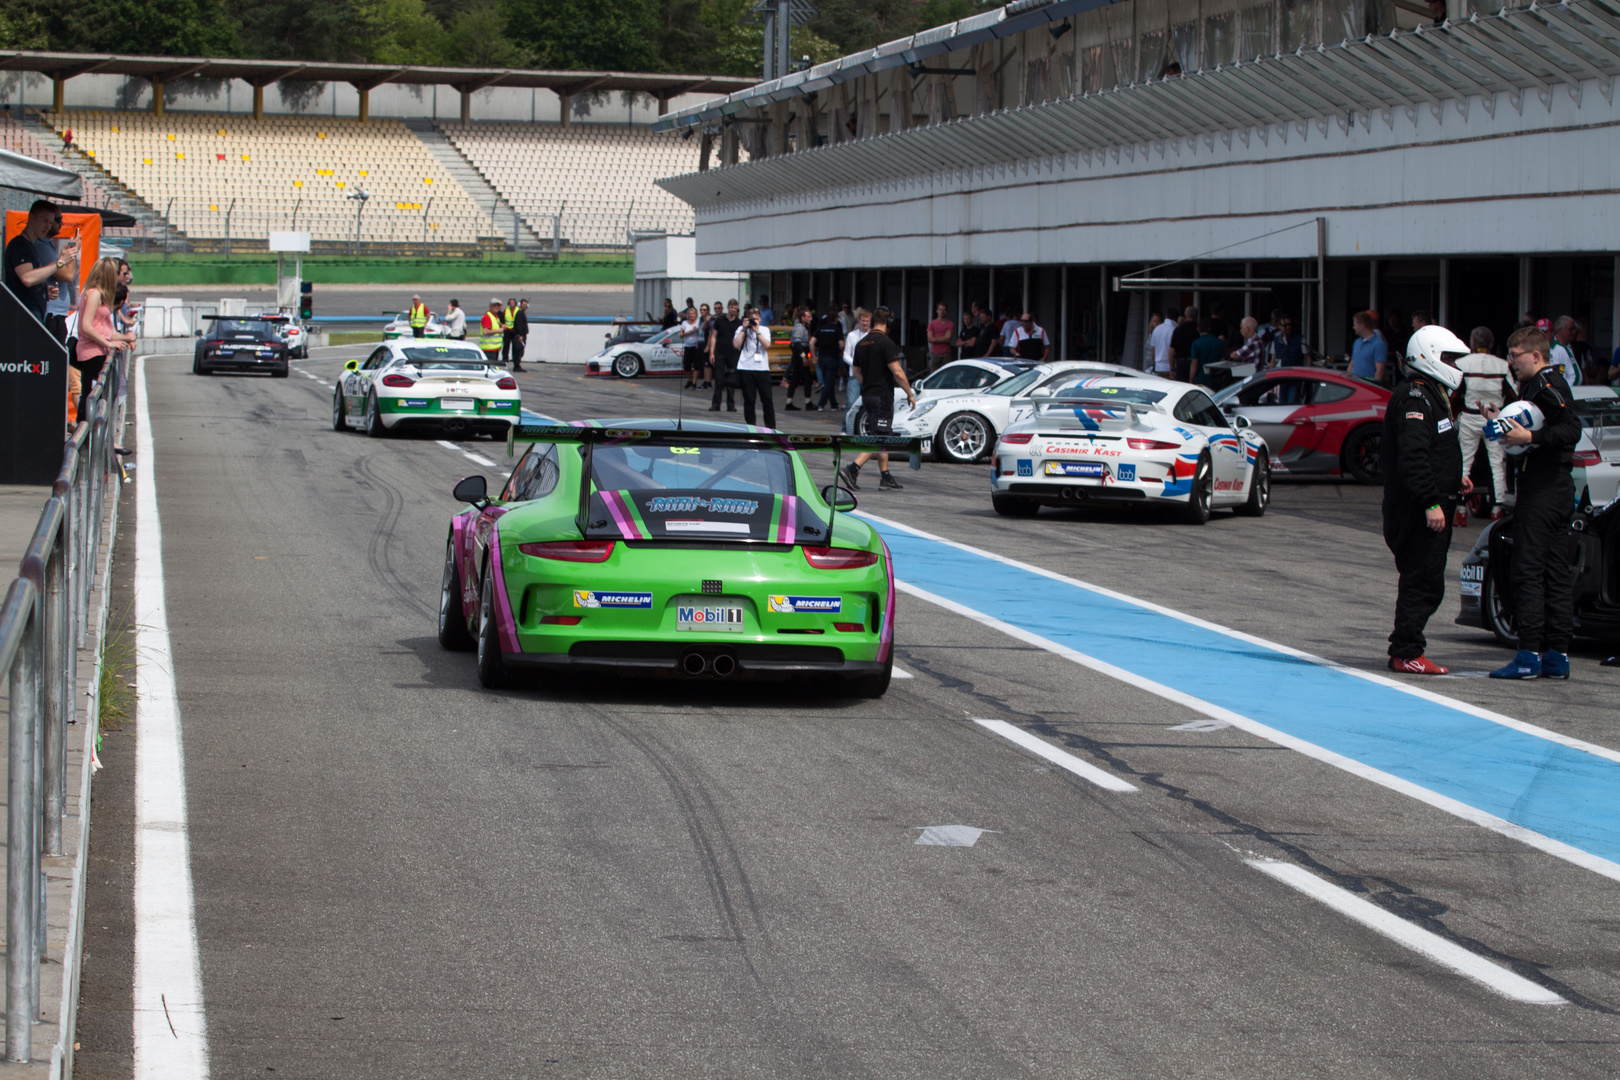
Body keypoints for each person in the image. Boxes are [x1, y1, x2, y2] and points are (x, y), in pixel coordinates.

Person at [1483, 326, 1582, 679]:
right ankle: (1557, 656)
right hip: (1552, 490)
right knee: (1555, 574)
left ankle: (1528, 655)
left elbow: (1571, 430)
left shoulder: (1547, 385)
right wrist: (1500, 423)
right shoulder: (1539, 386)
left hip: (1543, 492)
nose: (1511, 362)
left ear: (1536, 356)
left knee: (1527, 571)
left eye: (1516, 356)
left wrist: (1530, 435)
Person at [1382, 325, 1474, 675]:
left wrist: (1455, 478)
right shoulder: (1416, 398)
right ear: (1429, 356)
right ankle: (1406, 651)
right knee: (1422, 580)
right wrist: (1430, 502)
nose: (1454, 365)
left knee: (1427, 580)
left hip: (1431, 502)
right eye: (1448, 358)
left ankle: (1407, 648)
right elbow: (1413, 455)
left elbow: (1433, 450)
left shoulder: (1431, 394)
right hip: (1418, 509)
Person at [839, 309, 917, 491]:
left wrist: (870, 383)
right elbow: (897, 371)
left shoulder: (861, 343)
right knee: (880, 437)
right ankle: (852, 469)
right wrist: (910, 393)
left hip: (867, 395)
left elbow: (856, 372)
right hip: (882, 396)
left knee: (881, 434)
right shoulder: (886, 343)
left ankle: (885, 476)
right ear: (889, 323)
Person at [1453, 326, 1512, 521]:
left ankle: (1460, 511)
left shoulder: (1462, 363)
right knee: (1497, 464)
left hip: (1470, 416)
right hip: (1495, 418)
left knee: (1464, 463)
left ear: (1472, 343)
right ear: (1491, 344)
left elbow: (1453, 393)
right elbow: (1514, 393)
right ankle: (1497, 511)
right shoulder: (1503, 365)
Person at [72, 257, 136, 423]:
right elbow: (86, 326)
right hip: (92, 351)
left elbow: (105, 329)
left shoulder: (99, 294)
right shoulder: (94, 293)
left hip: (98, 349)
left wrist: (125, 338)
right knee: (91, 394)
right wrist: (108, 343)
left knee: (97, 395)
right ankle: (86, 438)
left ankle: (92, 437)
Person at [5, 199, 77, 323]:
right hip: (23, 318)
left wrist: (43, 289)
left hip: (32, 316)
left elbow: (30, 280)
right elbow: (27, 278)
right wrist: (60, 262)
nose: (47, 226)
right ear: (31, 218)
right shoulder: (20, 245)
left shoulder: (30, 246)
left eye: (50, 222)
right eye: (44, 221)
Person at [39, 207, 77, 342]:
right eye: (58, 220)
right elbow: (67, 275)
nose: (61, 224)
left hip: (56, 314)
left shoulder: (47, 245)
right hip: (50, 315)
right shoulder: (41, 246)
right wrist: (73, 253)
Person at [733, 305, 775, 427]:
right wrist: (744, 329)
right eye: (751, 319)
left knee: (767, 400)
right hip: (746, 368)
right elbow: (736, 344)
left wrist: (757, 331)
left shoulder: (764, 330)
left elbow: (767, 345)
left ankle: (771, 427)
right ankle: (751, 426)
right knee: (749, 401)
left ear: (760, 319)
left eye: (755, 319)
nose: (753, 322)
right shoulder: (742, 329)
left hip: (762, 369)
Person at [708, 299, 740, 412]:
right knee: (719, 379)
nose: (733, 310)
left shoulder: (739, 322)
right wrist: (712, 352)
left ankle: (731, 405)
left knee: (731, 380)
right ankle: (716, 404)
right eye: (731, 308)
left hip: (733, 354)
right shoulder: (720, 320)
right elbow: (713, 336)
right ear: (728, 308)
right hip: (720, 353)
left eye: (735, 308)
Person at [784, 305, 815, 409]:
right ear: (803, 317)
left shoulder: (803, 327)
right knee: (807, 379)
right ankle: (808, 403)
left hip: (798, 355)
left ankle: (789, 403)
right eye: (808, 317)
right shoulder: (799, 328)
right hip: (800, 356)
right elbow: (797, 343)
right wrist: (803, 356)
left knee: (795, 379)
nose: (811, 318)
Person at [813, 307, 844, 410]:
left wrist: (814, 355)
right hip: (832, 357)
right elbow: (841, 344)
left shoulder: (820, 329)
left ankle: (834, 404)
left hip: (822, 357)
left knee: (828, 380)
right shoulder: (837, 330)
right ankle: (821, 404)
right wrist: (842, 352)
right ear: (835, 319)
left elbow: (811, 342)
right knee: (829, 382)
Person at [1349, 311, 1388, 382]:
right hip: (1355, 386)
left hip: (1368, 387)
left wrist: (1374, 388)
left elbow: (1380, 370)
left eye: (1355, 324)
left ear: (1362, 326)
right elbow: (1352, 364)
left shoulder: (1378, 344)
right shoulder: (1357, 342)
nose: (1353, 327)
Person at [841, 308, 871, 395]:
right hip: (854, 375)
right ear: (859, 320)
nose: (865, 323)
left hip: (869, 375)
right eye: (863, 321)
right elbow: (846, 355)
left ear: (870, 321)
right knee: (851, 401)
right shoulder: (851, 335)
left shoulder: (874, 336)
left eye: (867, 321)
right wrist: (855, 363)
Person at [1548, 316, 1583, 386]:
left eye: (1574, 329)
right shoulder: (1548, 347)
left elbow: (1576, 377)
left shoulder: (1577, 347)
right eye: (1571, 329)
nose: (1574, 332)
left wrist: (1565, 391)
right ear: (1560, 330)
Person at [1189, 319, 1224, 385]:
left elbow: (1194, 363)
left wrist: (1191, 379)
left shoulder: (1196, 344)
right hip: (1216, 378)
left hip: (1201, 378)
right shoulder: (1219, 342)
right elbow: (1222, 360)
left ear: (1198, 329)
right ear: (1209, 329)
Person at [1169, 305, 1198, 381]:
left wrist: (1172, 369)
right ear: (1196, 316)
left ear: (1185, 315)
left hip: (1180, 363)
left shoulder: (1178, 330)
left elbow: (1171, 351)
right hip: (1195, 362)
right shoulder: (1197, 330)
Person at [678, 306, 704, 389]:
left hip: (696, 346)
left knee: (696, 365)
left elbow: (703, 332)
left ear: (696, 314)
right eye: (690, 314)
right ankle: (689, 380)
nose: (692, 315)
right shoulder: (684, 323)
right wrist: (688, 332)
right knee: (687, 365)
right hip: (688, 346)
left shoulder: (699, 322)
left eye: (693, 314)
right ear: (688, 315)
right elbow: (680, 335)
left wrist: (697, 330)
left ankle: (694, 382)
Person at [926, 302, 955, 370]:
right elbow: (930, 339)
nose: (942, 311)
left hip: (946, 353)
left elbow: (948, 338)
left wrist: (935, 339)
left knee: (947, 373)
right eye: (940, 309)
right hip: (935, 353)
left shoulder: (950, 324)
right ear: (937, 311)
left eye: (944, 309)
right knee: (934, 373)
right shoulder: (932, 324)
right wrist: (944, 338)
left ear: (946, 311)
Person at [1150, 308, 1176, 378]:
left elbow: (1153, 349)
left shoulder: (1156, 329)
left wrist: (1154, 364)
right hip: (1169, 367)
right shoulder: (1174, 329)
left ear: (1166, 316)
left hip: (1158, 367)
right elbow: (1172, 351)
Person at [479, 298, 504, 364]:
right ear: (490, 306)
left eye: (498, 306)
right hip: (488, 348)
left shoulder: (495, 316)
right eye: (494, 305)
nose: (496, 307)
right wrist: (499, 330)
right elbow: (485, 331)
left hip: (494, 348)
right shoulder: (487, 317)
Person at [510, 299, 529, 371]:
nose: (525, 306)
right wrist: (520, 335)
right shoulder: (519, 314)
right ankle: (516, 366)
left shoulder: (522, 313)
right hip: (519, 336)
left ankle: (517, 365)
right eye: (524, 304)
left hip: (522, 335)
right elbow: (519, 325)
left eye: (526, 305)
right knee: (518, 351)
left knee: (520, 351)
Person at [501, 297, 519, 363]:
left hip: (515, 331)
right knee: (506, 346)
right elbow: (501, 318)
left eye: (513, 302)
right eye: (510, 303)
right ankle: (505, 359)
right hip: (507, 330)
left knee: (515, 346)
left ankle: (515, 359)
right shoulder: (506, 310)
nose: (511, 304)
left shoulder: (518, 310)